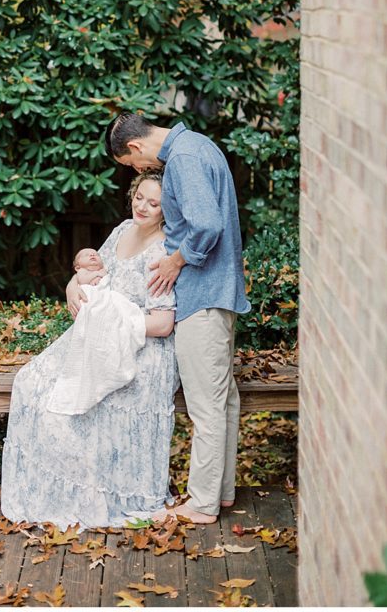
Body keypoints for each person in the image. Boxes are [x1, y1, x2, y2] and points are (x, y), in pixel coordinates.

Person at [93, 111, 251, 524]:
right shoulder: (196, 144)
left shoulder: (182, 158)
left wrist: (176, 262)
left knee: (206, 406)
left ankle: (201, 504)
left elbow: (207, 225)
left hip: (203, 296)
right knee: (223, 399)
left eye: (133, 165)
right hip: (217, 291)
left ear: (135, 148)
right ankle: (222, 493)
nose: (142, 172)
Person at [0, 172, 179, 529]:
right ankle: (59, 492)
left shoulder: (163, 250)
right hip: (96, 338)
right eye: (139, 197)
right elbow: (89, 272)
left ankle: (98, 493)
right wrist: (71, 288)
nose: (143, 206)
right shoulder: (122, 230)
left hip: (142, 347)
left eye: (154, 203)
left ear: (167, 208)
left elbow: (163, 323)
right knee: (31, 382)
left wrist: (115, 321)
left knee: (89, 401)